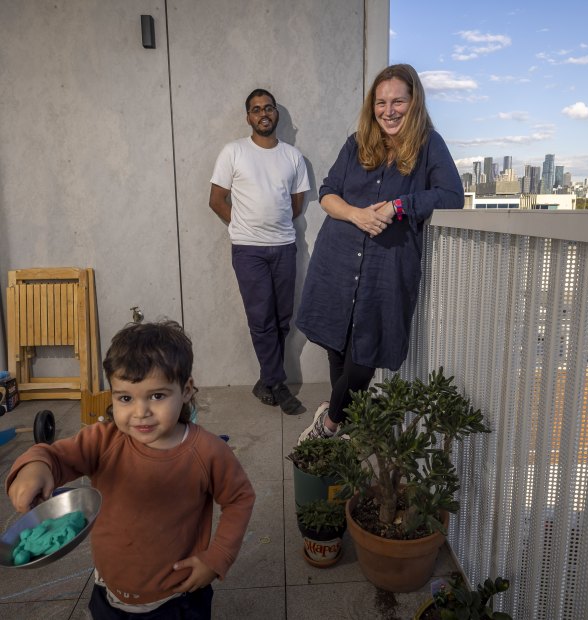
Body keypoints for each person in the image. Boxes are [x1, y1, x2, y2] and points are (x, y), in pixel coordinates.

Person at [6, 320, 255, 620]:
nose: (141, 412)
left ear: (186, 390)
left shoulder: (207, 452)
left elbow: (240, 498)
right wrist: (35, 467)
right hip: (109, 593)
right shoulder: (103, 441)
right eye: (125, 398)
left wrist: (217, 558)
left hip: (177, 600)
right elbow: (55, 456)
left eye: (157, 396)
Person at [296, 64, 464, 443]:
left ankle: (330, 422)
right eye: (381, 102)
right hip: (338, 256)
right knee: (338, 341)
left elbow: (452, 195)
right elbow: (327, 193)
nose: (389, 110)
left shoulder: (428, 145)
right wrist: (356, 214)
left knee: (365, 352)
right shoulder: (356, 143)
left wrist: (397, 206)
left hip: (387, 267)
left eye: (398, 102)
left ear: (414, 102)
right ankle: (345, 422)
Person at [209, 88, 310, 415]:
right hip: (248, 251)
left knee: (282, 319)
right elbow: (216, 199)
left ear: (275, 114)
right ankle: (278, 384)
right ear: (248, 116)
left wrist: (271, 225)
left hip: (284, 247)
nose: (263, 113)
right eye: (256, 109)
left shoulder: (292, 157)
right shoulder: (233, 152)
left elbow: (295, 205)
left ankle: (265, 381)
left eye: (268, 108)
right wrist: (242, 227)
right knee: (261, 319)